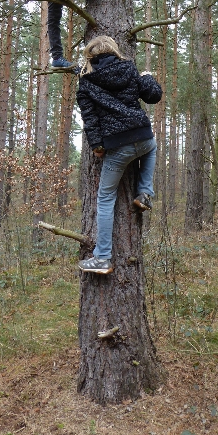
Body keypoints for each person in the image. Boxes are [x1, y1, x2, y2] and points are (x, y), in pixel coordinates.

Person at [76, 36, 162, 275]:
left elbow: (90, 118)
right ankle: (144, 193)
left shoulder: (86, 81)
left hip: (118, 146)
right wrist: (147, 77)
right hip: (144, 137)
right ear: (114, 52)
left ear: (90, 58)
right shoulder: (130, 68)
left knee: (105, 197)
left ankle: (102, 258)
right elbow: (153, 96)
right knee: (152, 146)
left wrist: (97, 145)